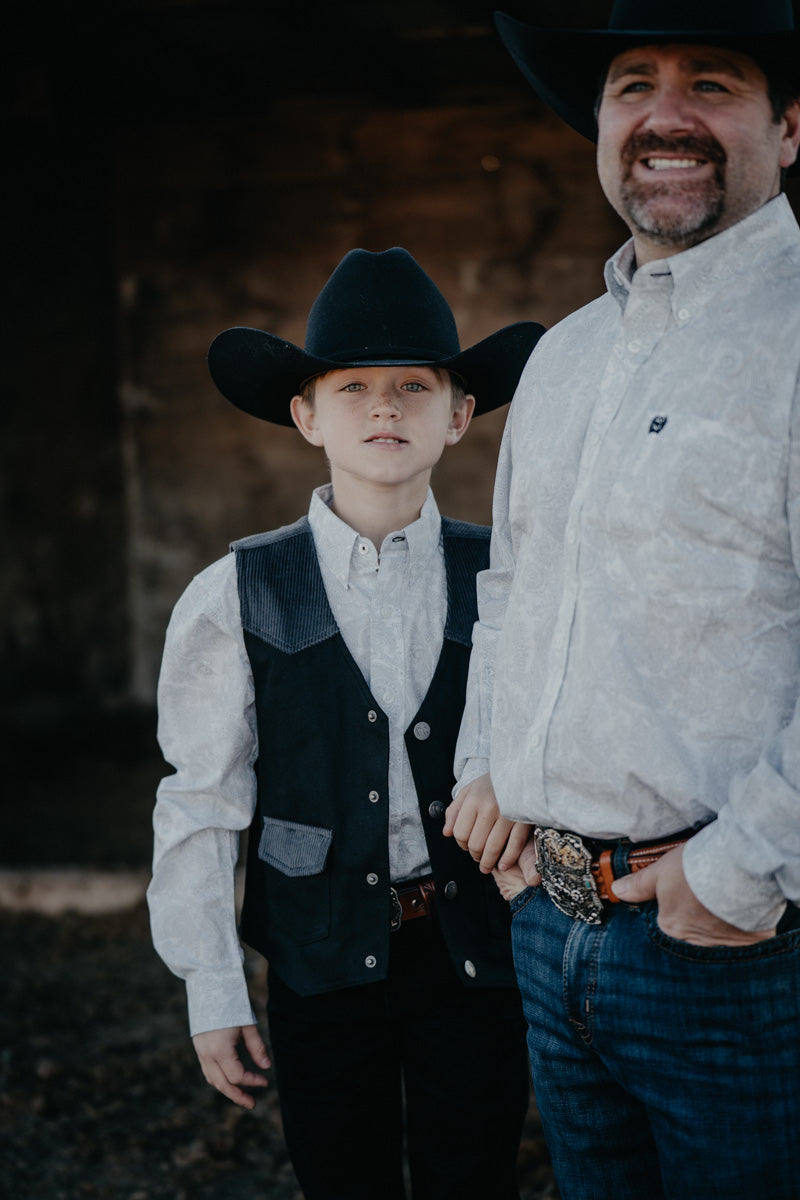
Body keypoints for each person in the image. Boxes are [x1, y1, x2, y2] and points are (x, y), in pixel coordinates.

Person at [445, 2, 800, 1197]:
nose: (664, 114)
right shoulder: (561, 358)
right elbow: (509, 588)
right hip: (548, 929)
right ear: (598, 128)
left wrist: (740, 871)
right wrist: (487, 763)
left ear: (788, 126)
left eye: (711, 83)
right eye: (630, 85)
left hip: (743, 949)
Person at [146, 246, 544, 1200]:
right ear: (305, 413)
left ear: (459, 415)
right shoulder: (233, 591)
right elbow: (200, 798)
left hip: (475, 951)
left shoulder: (508, 578)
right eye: (353, 385)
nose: (383, 406)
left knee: (473, 1175)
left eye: (414, 385)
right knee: (343, 1179)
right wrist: (212, 987)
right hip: (319, 958)